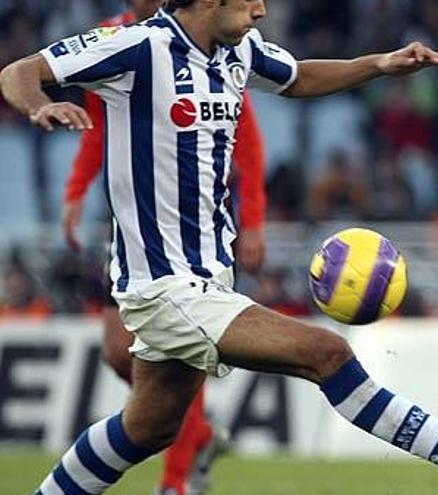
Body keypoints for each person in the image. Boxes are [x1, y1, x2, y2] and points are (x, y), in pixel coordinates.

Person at [0, 1, 438, 494]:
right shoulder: (138, 48)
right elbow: (19, 71)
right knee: (327, 354)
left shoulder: (238, 51)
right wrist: (39, 106)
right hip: (164, 286)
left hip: (208, 279)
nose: (260, 10)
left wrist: (377, 64)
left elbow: (299, 76)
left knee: (149, 426)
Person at [58, 1, 266, 493]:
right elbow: (97, 127)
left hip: (186, 230)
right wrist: (75, 192)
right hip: (130, 224)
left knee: (175, 354)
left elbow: (249, 141)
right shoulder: (113, 38)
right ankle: (201, 436)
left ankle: (177, 480)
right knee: (117, 353)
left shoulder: (210, 42)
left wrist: (253, 219)